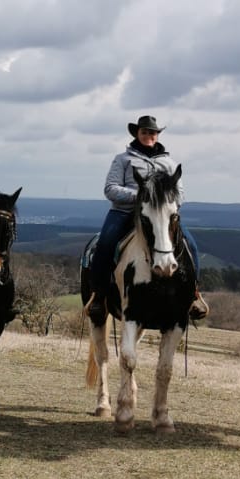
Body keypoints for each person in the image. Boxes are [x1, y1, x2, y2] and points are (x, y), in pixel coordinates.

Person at [87, 115, 208, 325]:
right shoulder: (123, 159)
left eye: (152, 132)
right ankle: (98, 296)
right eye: (144, 132)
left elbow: (180, 194)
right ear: (137, 134)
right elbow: (110, 188)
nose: (148, 135)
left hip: (161, 217)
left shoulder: (169, 163)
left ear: (157, 135)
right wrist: (140, 197)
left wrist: (162, 203)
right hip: (125, 212)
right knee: (105, 243)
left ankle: (194, 295)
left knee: (192, 246)